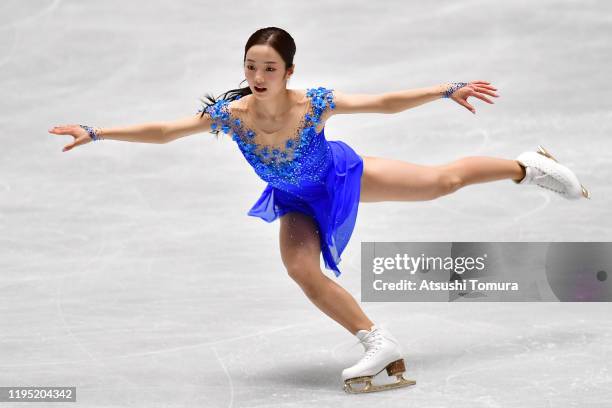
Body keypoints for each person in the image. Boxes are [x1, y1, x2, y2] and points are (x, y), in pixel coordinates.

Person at [49, 26, 590, 393]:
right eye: (251, 66)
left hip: (338, 176)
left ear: (288, 71)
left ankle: (526, 167)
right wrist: (97, 132)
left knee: (440, 183)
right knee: (301, 269)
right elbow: (166, 131)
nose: (258, 76)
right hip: (294, 198)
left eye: (269, 67)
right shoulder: (231, 115)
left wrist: (443, 90)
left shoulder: (314, 104)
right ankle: (378, 342)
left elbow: (381, 103)